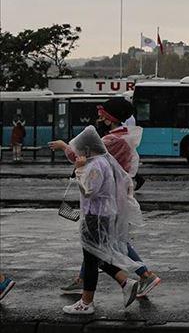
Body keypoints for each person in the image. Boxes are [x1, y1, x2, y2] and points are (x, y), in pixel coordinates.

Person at [49, 97, 161, 299]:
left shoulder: (111, 140)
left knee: (104, 241)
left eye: (102, 115)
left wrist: (64, 146)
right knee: (99, 241)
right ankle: (85, 280)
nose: (98, 117)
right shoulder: (122, 136)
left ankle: (143, 276)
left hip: (106, 201)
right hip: (113, 198)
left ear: (110, 119)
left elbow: (84, 156)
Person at [61, 126, 143, 315]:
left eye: (80, 149)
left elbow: (90, 190)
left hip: (95, 216)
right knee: (95, 255)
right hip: (100, 215)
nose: (78, 153)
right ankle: (125, 282)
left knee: (91, 258)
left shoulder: (96, 164)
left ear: (88, 149)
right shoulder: (101, 161)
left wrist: (79, 170)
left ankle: (87, 302)